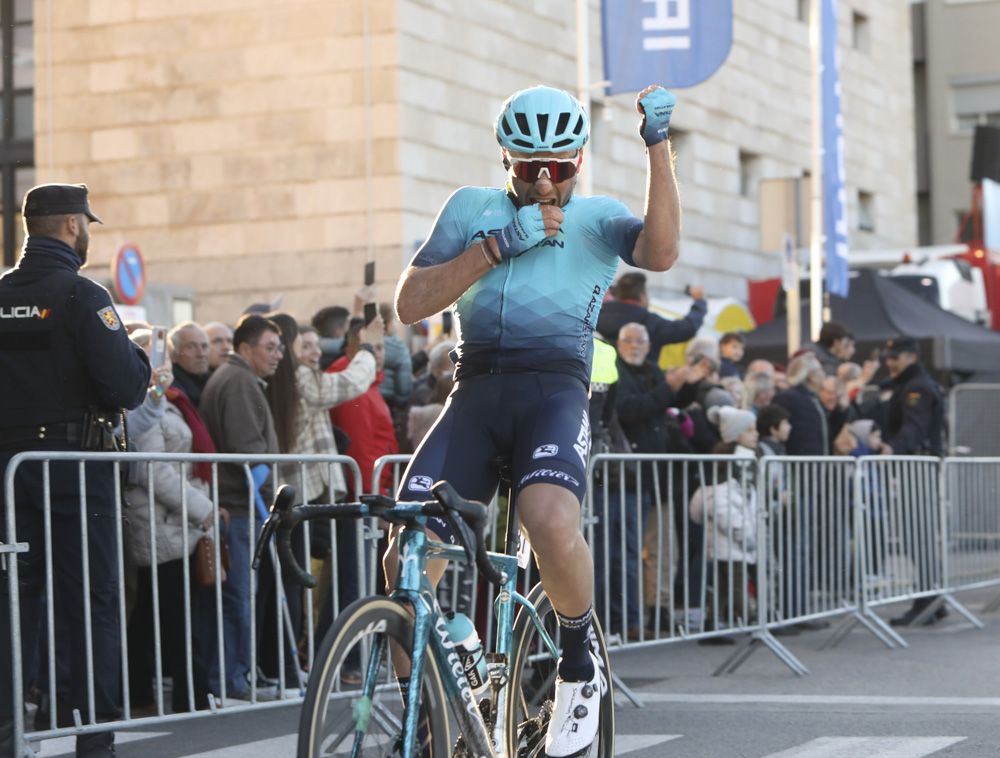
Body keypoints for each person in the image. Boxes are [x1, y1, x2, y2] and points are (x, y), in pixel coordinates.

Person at [388, 83, 681, 755]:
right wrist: (491, 250)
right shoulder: (471, 209)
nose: (546, 182)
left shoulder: (599, 217)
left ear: (580, 158)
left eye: (560, 166)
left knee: (548, 518)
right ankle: (428, 717)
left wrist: (658, 147)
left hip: (553, 393)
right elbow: (408, 304)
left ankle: (579, 666)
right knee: (404, 557)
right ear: (505, 160)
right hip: (476, 395)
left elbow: (661, 253)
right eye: (528, 167)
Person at [0, 183, 151, 757]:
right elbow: (127, 386)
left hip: (9, 477)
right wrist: (140, 358)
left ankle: (11, 734)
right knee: (92, 603)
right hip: (75, 474)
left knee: (13, 605)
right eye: (85, 224)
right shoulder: (83, 297)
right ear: (70, 226)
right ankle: (95, 738)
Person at [124, 329, 216, 715]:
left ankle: (152, 695)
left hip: (175, 519)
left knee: (158, 614)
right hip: (161, 520)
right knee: (173, 617)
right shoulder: (141, 406)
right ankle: (187, 697)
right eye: (151, 358)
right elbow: (154, 470)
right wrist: (202, 507)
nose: (161, 367)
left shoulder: (169, 402)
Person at [200, 314, 283, 699]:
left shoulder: (241, 379)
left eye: (279, 347)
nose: (278, 354)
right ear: (246, 348)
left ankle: (236, 677)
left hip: (243, 504)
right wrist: (269, 498)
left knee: (239, 598)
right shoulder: (238, 381)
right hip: (241, 505)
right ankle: (232, 681)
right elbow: (249, 454)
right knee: (237, 599)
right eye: (270, 347)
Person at [880, 336, 946, 627]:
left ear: (911, 357)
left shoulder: (916, 387)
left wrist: (893, 448)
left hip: (915, 468)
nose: (890, 363)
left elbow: (914, 427)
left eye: (896, 357)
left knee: (916, 535)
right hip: (915, 467)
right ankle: (933, 600)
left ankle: (926, 601)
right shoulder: (909, 384)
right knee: (918, 535)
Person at [689, 407, 760, 642]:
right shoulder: (729, 465)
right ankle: (748, 619)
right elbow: (721, 503)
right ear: (736, 435)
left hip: (738, 534)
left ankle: (717, 623)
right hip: (728, 536)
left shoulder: (748, 462)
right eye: (749, 430)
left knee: (725, 583)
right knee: (732, 582)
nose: (756, 434)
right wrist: (741, 531)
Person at [596, 273, 706, 358]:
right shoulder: (649, 321)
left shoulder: (596, 317)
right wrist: (699, 301)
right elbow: (687, 328)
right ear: (642, 295)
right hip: (640, 384)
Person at [169, 321, 211, 408]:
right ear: (174, 355)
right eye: (190, 347)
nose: (201, 354)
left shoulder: (212, 380)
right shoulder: (169, 387)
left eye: (204, 346)